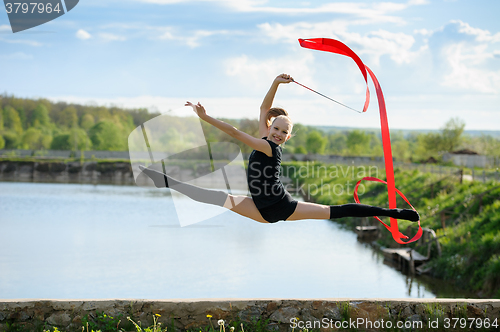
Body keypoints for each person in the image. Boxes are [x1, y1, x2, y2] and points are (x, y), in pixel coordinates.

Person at [139, 74, 419, 224]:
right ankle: (165, 181)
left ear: (287, 137)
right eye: (276, 128)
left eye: (284, 132)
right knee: (216, 198)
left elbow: (235, 133)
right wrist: (275, 83)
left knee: (336, 210)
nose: (279, 133)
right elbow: (263, 108)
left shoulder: (268, 147)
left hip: (282, 206)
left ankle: (394, 213)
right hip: (260, 210)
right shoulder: (266, 137)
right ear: (271, 128)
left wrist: (205, 118)